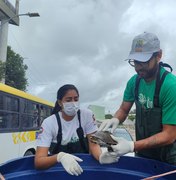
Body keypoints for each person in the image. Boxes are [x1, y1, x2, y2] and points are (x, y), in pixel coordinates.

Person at [99, 32, 176, 165]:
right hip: (144, 154)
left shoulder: (170, 86)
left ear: (158, 55)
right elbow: (124, 109)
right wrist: (115, 119)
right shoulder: (134, 82)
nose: (138, 67)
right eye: (135, 61)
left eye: (143, 61)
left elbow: (169, 135)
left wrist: (131, 146)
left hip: (168, 157)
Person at [35, 84, 119, 176]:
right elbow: (39, 161)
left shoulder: (86, 115)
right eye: (68, 100)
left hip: (83, 168)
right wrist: (60, 157)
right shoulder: (49, 123)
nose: (73, 103)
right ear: (60, 102)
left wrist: (101, 157)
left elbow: (94, 145)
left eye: (76, 99)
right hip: (58, 171)